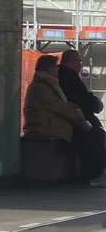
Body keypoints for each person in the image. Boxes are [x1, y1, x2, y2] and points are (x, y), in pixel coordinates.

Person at [24, 53, 106, 185]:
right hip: (45, 124)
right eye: (55, 67)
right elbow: (57, 106)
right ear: (48, 69)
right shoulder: (40, 87)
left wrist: (75, 109)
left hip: (52, 122)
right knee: (84, 136)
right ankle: (94, 173)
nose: (57, 69)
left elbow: (64, 103)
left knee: (92, 133)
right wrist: (76, 115)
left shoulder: (50, 84)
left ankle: (97, 171)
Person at [58, 49, 103, 133]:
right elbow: (80, 97)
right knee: (98, 135)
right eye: (80, 61)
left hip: (72, 122)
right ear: (74, 61)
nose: (81, 64)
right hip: (78, 123)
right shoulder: (68, 77)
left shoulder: (62, 75)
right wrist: (96, 104)